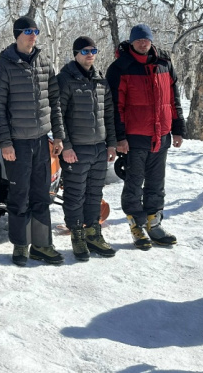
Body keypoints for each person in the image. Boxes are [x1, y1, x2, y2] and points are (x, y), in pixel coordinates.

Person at [0, 16, 65, 266]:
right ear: (17, 35)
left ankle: (42, 245)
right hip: (17, 144)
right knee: (19, 196)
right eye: (28, 31)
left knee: (42, 195)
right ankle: (21, 245)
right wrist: (5, 143)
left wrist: (58, 135)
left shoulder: (44, 62)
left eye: (35, 31)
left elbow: (54, 102)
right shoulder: (3, 66)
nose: (33, 35)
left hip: (42, 141)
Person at [105, 24, 184, 250]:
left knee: (156, 184)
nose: (143, 43)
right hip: (134, 137)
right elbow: (115, 106)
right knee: (134, 184)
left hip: (161, 135)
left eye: (146, 39)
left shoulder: (164, 63)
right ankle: (137, 226)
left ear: (151, 41)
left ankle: (154, 224)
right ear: (131, 42)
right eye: (138, 40)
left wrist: (178, 128)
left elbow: (173, 99)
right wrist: (119, 138)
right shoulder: (120, 67)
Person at [57, 36, 118, 261]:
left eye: (93, 50)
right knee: (75, 195)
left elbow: (109, 114)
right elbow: (58, 116)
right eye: (85, 51)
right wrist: (66, 146)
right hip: (76, 150)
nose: (90, 54)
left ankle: (93, 233)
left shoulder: (101, 80)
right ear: (76, 54)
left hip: (99, 148)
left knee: (94, 195)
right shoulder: (65, 79)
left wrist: (111, 143)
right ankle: (77, 235)